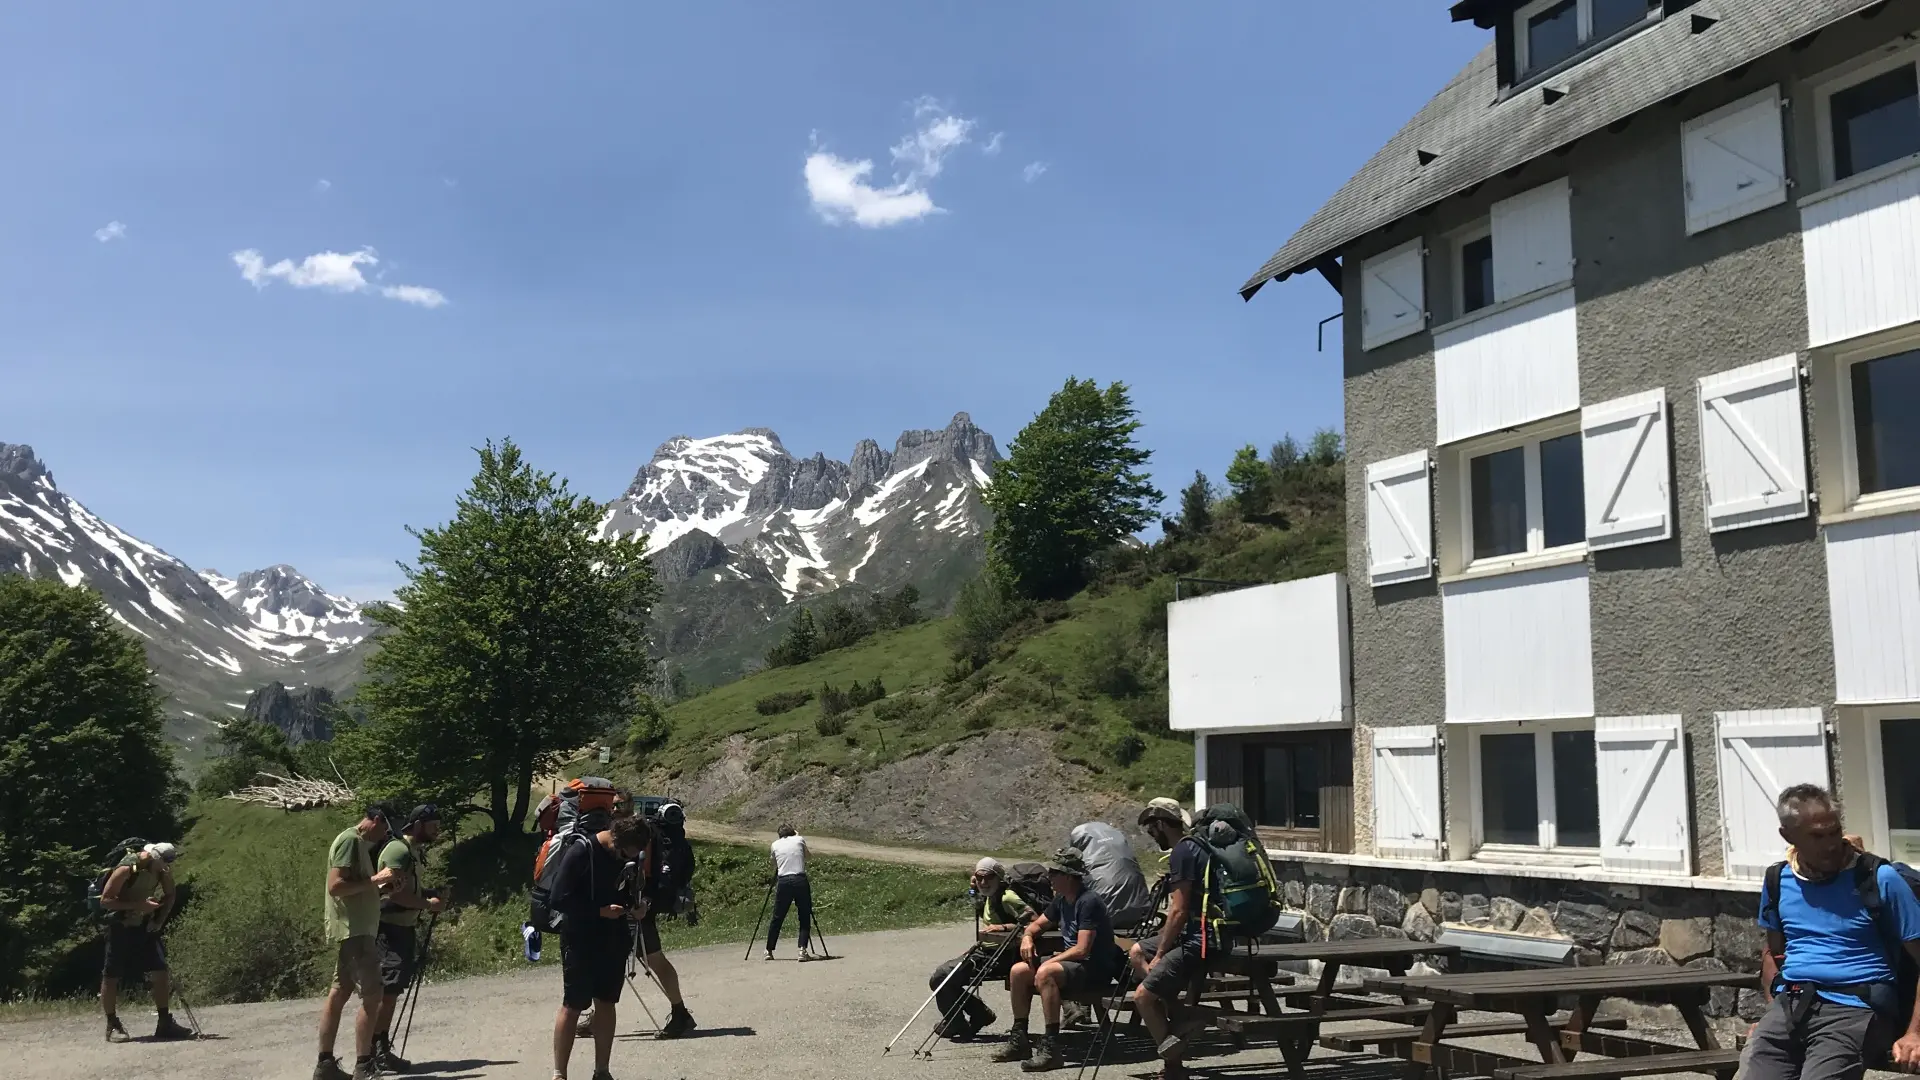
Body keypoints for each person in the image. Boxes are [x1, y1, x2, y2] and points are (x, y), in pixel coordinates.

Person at [1747, 784, 1920, 1080]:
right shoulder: (1778, 879)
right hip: (1792, 1004)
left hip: (1856, 1008)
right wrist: (1771, 1011)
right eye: (1817, 836)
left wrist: (1914, 1033)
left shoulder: (1879, 879)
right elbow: (1772, 954)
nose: (1830, 844)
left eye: (1834, 831)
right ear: (1788, 835)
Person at [994, 848, 1120, 1072]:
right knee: (1018, 971)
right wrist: (1028, 937)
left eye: (1055, 873)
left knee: (1046, 972)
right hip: (1074, 966)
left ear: (1070, 877)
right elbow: (1037, 924)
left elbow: (1082, 949)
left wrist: (1050, 962)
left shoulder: (1088, 901)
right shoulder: (1062, 900)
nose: (1049, 877)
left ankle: (1052, 1047)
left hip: (1094, 969)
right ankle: (1020, 1038)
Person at [550, 813, 654, 1080]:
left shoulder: (627, 855)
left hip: (614, 938)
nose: (626, 859)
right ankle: (559, 1074)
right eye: (625, 854)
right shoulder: (581, 851)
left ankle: (602, 1071)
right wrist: (599, 911)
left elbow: (628, 892)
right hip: (580, 938)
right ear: (616, 839)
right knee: (573, 1005)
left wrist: (639, 907)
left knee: (607, 1002)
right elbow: (558, 898)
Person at [317, 802, 399, 1080]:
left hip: (357, 930)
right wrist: (377, 879)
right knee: (373, 995)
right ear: (375, 819)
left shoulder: (359, 844)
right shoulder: (350, 840)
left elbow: (357, 889)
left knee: (339, 992)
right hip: (355, 932)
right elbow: (335, 886)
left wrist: (383, 888)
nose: (386, 834)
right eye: (386, 827)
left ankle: (326, 1064)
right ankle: (364, 1065)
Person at [1131, 801, 1211, 1080]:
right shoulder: (1195, 846)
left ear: (1162, 824)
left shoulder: (1183, 852)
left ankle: (1173, 1066)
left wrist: (1162, 951)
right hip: (1200, 933)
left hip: (1202, 939)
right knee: (1137, 950)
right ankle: (1178, 1013)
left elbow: (1178, 910)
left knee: (1141, 997)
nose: (1152, 836)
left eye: (1151, 829)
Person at [370, 804, 448, 1073]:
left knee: (391, 991)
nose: (437, 829)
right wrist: (428, 905)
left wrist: (428, 893)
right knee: (387, 991)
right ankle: (373, 1052)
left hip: (401, 928)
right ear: (417, 825)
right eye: (432, 825)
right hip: (389, 929)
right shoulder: (399, 851)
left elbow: (407, 888)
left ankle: (379, 1049)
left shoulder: (411, 851)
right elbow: (392, 893)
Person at [928, 857, 1036, 1040]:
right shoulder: (986, 895)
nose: (984, 883)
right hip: (985, 952)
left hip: (1001, 956)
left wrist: (1003, 928)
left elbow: (1035, 920)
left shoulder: (1007, 897)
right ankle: (976, 1015)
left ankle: (958, 1023)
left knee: (942, 976)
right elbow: (977, 902)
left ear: (999, 878)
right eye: (979, 878)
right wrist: (973, 888)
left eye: (989, 878)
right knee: (942, 977)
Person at [98, 841, 192, 1043]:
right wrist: (139, 905)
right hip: (119, 927)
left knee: (160, 971)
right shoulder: (125, 869)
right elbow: (105, 900)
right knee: (112, 975)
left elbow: (170, 894)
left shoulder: (161, 870)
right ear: (152, 857)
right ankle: (113, 1024)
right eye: (163, 865)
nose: (166, 870)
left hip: (144, 925)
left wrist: (158, 921)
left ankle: (164, 1022)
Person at [638, 801, 698, 1037]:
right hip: (651, 905)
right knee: (654, 960)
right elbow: (686, 872)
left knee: (652, 960)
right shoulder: (678, 841)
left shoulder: (650, 833)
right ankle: (680, 1012)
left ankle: (680, 1013)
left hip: (638, 907)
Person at [764, 825, 817, 962]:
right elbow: (808, 857)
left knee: (778, 916)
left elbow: (773, 864)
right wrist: (797, 836)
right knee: (804, 914)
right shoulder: (799, 840)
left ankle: (769, 950)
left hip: (783, 881)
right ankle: (802, 949)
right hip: (799, 879)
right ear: (793, 832)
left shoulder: (775, 845)